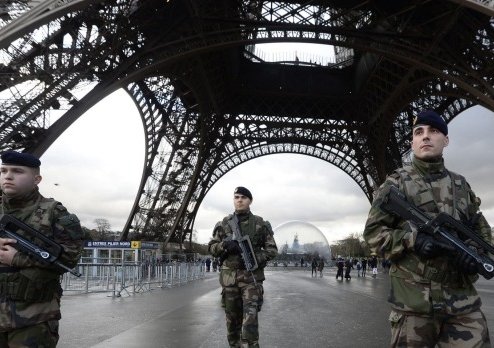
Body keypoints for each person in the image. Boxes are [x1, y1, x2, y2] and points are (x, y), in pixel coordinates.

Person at [363, 110, 492, 347]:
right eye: (419, 132)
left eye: (433, 131)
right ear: (412, 142)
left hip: (462, 303)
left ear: (446, 140)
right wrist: (413, 240)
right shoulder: (395, 183)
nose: (426, 137)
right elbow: (372, 236)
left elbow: (482, 233)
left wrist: (475, 255)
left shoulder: (462, 185)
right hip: (415, 305)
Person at [0, 150, 84, 347]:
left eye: (17, 171)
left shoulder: (57, 214)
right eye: (3, 171)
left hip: (33, 318)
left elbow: (68, 259)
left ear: (37, 179)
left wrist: (17, 259)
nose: (8, 176)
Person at [208, 186, 278, 348]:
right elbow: (211, 248)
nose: (239, 200)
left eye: (243, 197)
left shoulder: (260, 224)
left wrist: (253, 258)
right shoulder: (224, 223)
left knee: (250, 322)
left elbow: (272, 250)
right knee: (232, 322)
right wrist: (225, 246)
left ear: (250, 201)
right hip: (229, 280)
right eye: (237, 197)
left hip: (251, 279)